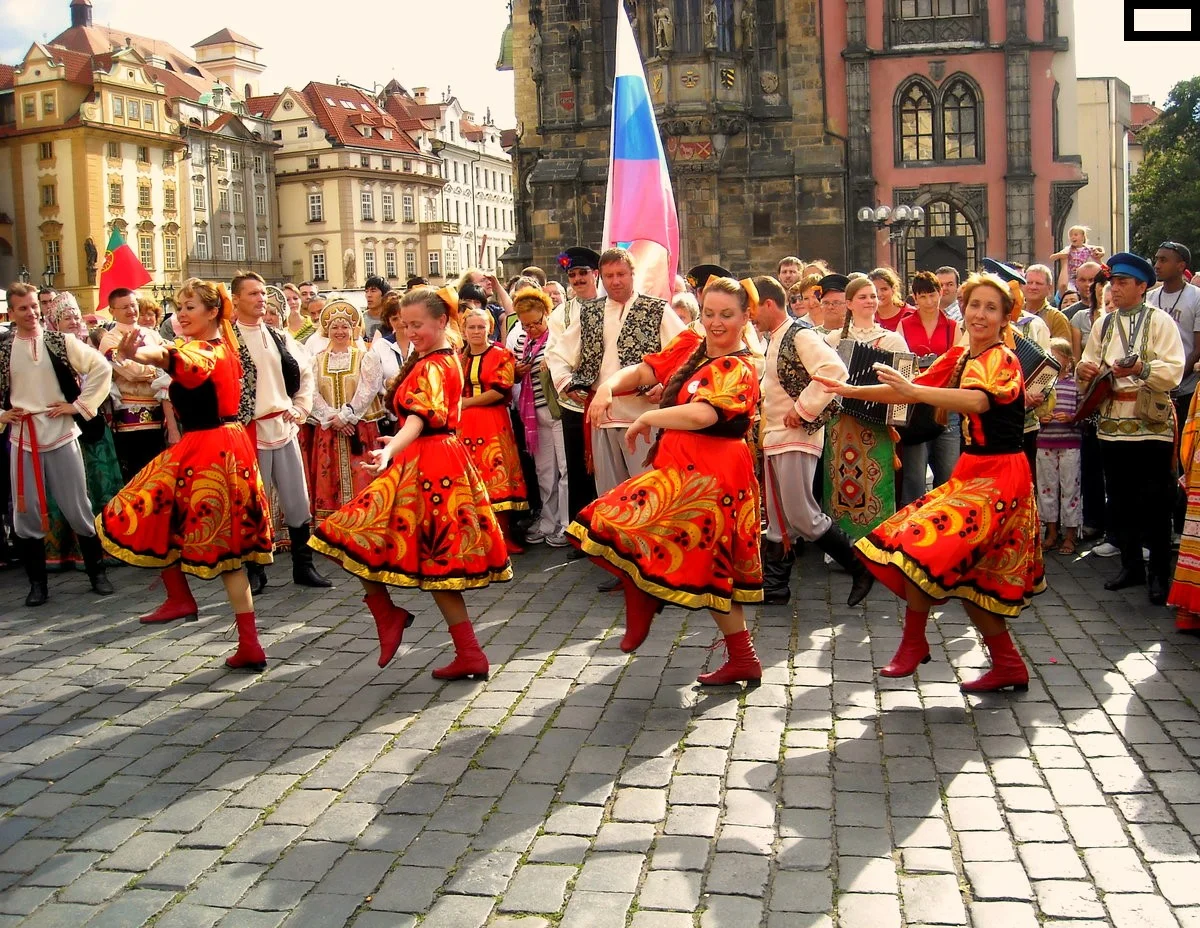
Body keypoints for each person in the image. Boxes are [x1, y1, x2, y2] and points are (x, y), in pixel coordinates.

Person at [815, 272, 1045, 692]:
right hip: (973, 473)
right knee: (969, 579)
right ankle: (1008, 665)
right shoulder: (959, 357)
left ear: (1004, 318)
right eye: (975, 305)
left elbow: (977, 400)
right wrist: (847, 388)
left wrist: (915, 391)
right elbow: (906, 391)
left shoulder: (1003, 358)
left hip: (1001, 478)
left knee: (921, 547)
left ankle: (913, 641)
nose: (980, 314)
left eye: (991, 308)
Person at [570, 277, 764, 684]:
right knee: (619, 529)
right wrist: (607, 387)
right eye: (709, 313)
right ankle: (738, 654)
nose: (715, 322)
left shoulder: (738, 366)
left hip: (713, 479)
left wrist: (646, 416)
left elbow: (704, 415)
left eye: (726, 315)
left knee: (612, 522)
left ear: (746, 318)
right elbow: (644, 369)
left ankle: (645, 594)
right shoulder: (692, 348)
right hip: (682, 472)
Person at [309, 286, 511, 677]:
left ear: (442, 321)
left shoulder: (435, 364)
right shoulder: (435, 357)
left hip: (431, 466)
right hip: (426, 459)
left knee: (350, 535)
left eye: (418, 324)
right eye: (405, 324)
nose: (411, 331)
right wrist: (397, 445)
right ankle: (459, 648)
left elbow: (419, 417)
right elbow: (419, 422)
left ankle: (395, 618)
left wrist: (390, 450)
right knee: (421, 558)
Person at [96, 278, 272, 670]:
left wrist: (145, 353)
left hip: (212, 449)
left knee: (149, 507)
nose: (182, 313)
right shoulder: (213, 347)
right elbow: (172, 355)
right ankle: (240, 637)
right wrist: (143, 353)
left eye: (190, 306)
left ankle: (193, 605)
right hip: (215, 446)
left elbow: (181, 361)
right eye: (179, 307)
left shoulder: (208, 350)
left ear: (212, 312)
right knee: (171, 518)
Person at [546, 247, 686, 589]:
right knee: (612, 493)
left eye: (620, 275)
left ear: (632, 274)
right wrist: (567, 383)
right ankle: (624, 565)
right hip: (603, 413)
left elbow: (686, 349)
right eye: (609, 276)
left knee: (649, 489)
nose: (615, 281)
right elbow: (557, 352)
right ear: (601, 277)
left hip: (645, 415)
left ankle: (657, 565)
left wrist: (667, 384)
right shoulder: (589, 312)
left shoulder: (656, 310)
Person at [754, 275, 873, 606]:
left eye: (754, 309)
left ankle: (860, 565)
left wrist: (802, 409)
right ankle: (776, 585)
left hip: (795, 435)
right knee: (778, 517)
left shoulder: (800, 334)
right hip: (775, 436)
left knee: (802, 513)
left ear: (768, 304)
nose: (751, 316)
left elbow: (834, 370)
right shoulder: (774, 338)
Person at [1077, 252, 1185, 605]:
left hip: (1150, 424)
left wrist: (1140, 368)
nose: (1116, 289)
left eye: (1123, 283)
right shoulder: (1103, 324)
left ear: (1142, 287)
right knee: (1120, 498)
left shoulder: (1160, 321)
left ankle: (1158, 575)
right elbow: (1087, 361)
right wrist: (1085, 371)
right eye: (1113, 283)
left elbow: (1174, 370)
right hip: (1111, 425)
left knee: (1155, 499)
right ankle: (1131, 565)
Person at [0, 283, 115, 606]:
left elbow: (101, 367)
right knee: (27, 513)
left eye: (35, 306)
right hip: (24, 438)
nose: (31, 312)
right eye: (23, 308)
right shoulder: (4, 349)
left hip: (62, 433)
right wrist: (3, 413)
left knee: (77, 505)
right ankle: (38, 584)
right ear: (12, 312)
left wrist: (78, 406)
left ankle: (97, 572)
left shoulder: (59, 341)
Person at [230, 271, 329, 593]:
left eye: (262, 293)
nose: (261, 299)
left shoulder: (279, 337)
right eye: (252, 294)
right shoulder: (227, 340)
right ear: (235, 300)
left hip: (282, 427)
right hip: (247, 431)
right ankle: (255, 568)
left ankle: (304, 565)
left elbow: (305, 373)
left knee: (297, 500)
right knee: (252, 502)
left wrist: (300, 409)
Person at [823, 276, 909, 540]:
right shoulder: (832, 340)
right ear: (849, 303)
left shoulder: (892, 340)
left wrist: (897, 416)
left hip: (878, 424)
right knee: (839, 480)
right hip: (841, 423)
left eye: (873, 296)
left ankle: (877, 540)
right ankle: (843, 542)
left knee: (877, 480)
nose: (870, 301)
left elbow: (906, 383)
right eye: (863, 297)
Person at [43, 292, 124, 571]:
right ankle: (63, 551)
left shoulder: (89, 346)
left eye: (76, 316)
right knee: (67, 488)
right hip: (61, 427)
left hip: (92, 425)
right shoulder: (48, 351)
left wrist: (81, 405)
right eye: (66, 317)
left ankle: (105, 548)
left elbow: (104, 377)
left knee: (101, 484)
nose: (74, 321)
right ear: (54, 322)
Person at [459, 306, 529, 553]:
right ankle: (474, 534)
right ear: (463, 330)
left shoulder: (502, 354)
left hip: (492, 421)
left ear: (489, 328)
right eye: (472, 327)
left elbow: (501, 389)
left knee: (496, 473)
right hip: (464, 425)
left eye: (481, 327)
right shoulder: (459, 357)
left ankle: (502, 535)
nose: (476, 331)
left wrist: (465, 403)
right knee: (470, 476)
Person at [307, 301, 386, 521]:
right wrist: (331, 417)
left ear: (353, 329)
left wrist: (346, 415)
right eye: (335, 327)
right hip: (329, 429)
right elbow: (311, 392)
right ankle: (331, 526)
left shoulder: (365, 358)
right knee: (329, 478)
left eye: (344, 327)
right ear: (327, 330)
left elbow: (368, 390)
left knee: (362, 475)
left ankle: (364, 523)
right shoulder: (316, 360)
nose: (340, 331)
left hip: (359, 429)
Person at [545, 247, 600, 537]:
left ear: (595, 274)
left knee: (604, 466)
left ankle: (608, 529)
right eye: (573, 275)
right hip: (574, 401)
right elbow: (552, 354)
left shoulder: (609, 304)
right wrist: (567, 384)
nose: (578, 279)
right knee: (577, 468)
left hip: (605, 399)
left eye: (583, 273)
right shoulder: (560, 314)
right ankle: (580, 532)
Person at [510, 288, 569, 546]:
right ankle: (548, 520)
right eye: (526, 324)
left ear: (547, 314)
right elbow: (513, 372)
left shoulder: (556, 337)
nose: (531, 328)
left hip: (557, 409)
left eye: (536, 322)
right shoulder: (522, 340)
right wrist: (516, 371)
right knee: (544, 471)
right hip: (534, 413)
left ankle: (566, 524)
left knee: (565, 469)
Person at [898, 271, 962, 506]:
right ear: (915, 297)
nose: (928, 301)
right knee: (914, 476)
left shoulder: (952, 326)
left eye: (932, 294)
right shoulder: (904, 325)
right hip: (915, 407)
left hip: (945, 406)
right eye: (922, 296)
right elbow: (901, 363)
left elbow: (957, 364)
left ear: (940, 293)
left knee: (948, 473)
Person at [99, 287, 167, 480]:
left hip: (158, 411)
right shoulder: (110, 339)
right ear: (112, 310)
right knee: (138, 472)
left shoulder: (152, 334)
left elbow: (169, 360)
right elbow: (130, 371)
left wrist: (155, 369)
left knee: (158, 471)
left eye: (133, 305)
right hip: (130, 415)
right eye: (124, 307)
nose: (131, 311)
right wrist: (156, 370)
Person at [1036, 337, 1082, 554]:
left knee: (1070, 489)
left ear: (1068, 360)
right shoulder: (1043, 384)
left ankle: (1071, 533)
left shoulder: (1075, 384)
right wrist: (1040, 418)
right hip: (1045, 442)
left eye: (1057, 356)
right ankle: (1051, 532)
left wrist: (1073, 417)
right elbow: (1030, 409)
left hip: (1069, 443)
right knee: (1046, 489)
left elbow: (1085, 413)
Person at [1051, 225, 1105, 294]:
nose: (1073, 237)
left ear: (1083, 237)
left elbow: (1100, 248)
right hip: (1071, 277)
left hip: (1083, 274)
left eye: (1075, 235)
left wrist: (1101, 253)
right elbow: (1053, 257)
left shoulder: (1088, 248)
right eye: (1071, 236)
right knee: (1070, 291)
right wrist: (1060, 255)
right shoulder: (1068, 249)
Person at [869, 267, 908, 332]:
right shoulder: (866, 316)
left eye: (884, 289)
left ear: (893, 289)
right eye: (874, 290)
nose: (879, 294)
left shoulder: (909, 314)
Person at [363, 275, 391, 341]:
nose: (368, 295)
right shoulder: (361, 319)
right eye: (366, 291)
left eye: (373, 291)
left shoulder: (392, 318)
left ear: (384, 294)